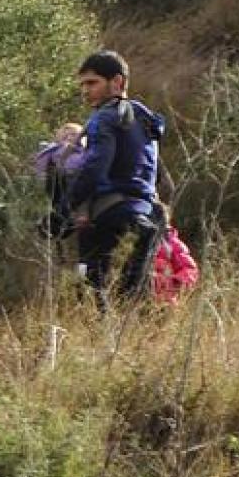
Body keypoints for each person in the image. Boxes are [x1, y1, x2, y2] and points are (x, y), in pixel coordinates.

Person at [69, 50, 167, 308]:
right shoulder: (145, 120)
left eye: (92, 83)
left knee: (93, 297)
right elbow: (154, 175)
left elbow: (95, 168)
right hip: (145, 216)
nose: (85, 90)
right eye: (83, 85)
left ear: (118, 82)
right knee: (131, 300)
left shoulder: (105, 117)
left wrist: (63, 209)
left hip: (109, 215)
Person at [33, 122, 87, 240]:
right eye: (67, 135)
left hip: (71, 181)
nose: (70, 138)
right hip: (62, 180)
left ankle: (63, 224)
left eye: (74, 135)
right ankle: (58, 224)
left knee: (68, 206)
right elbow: (44, 163)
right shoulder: (57, 149)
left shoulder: (82, 150)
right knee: (65, 205)